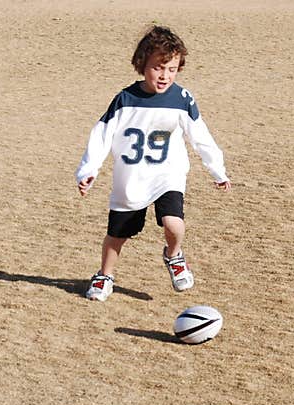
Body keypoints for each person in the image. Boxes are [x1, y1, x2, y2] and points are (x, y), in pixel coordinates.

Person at [75, 25, 231, 302]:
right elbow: (102, 134)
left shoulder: (182, 99)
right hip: (132, 179)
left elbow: (200, 136)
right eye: (159, 68)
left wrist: (217, 169)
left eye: (172, 69)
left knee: (174, 223)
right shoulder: (125, 99)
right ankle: (105, 274)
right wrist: (89, 170)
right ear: (142, 64)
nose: (165, 75)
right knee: (116, 235)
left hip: (166, 175)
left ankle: (173, 255)